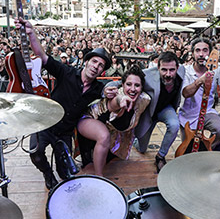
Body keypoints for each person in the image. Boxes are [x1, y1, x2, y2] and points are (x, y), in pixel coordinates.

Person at [14, 17, 113, 190]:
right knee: (36, 154)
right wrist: (31, 34)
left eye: (100, 65)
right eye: (94, 62)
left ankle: (59, 173)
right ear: (87, 61)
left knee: (66, 172)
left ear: (102, 71)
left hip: (66, 132)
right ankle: (47, 174)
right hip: (45, 124)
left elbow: (109, 91)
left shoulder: (98, 88)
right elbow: (42, 56)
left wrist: (111, 91)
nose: (96, 66)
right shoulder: (65, 72)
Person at [77, 65, 151, 176]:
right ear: (122, 85)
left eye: (137, 85)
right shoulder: (116, 95)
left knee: (107, 158)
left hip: (111, 133)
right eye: (128, 84)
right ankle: (99, 177)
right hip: (89, 121)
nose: (132, 89)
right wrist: (120, 100)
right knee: (102, 140)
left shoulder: (144, 100)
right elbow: (115, 102)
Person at [133, 51, 185, 172]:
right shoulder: (147, 75)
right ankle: (136, 140)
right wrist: (109, 87)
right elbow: (123, 81)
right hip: (149, 114)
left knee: (174, 125)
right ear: (158, 68)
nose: (168, 74)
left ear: (178, 68)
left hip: (165, 109)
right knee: (142, 149)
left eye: (172, 70)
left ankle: (160, 156)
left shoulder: (183, 72)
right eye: (164, 70)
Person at [178, 38, 220, 149]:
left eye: (205, 50)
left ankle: (207, 150)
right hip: (187, 115)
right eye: (197, 51)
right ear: (193, 53)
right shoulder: (185, 70)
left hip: (207, 112)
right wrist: (200, 80)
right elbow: (185, 93)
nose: (201, 54)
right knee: (187, 148)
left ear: (210, 53)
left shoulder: (217, 69)